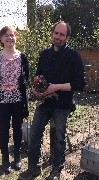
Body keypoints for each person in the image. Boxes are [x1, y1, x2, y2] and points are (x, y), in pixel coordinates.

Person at [19, 21, 86, 180]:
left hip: (62, 105)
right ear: (52, 34)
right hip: (44, 103)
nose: (58, 37)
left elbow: (80, 83)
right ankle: (33, 168)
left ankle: (56, 171)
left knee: (59, 138)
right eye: (56, 33)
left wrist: (56, 87)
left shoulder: (74, 56)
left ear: (67, 37)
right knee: (34, 135)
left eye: (62, 34)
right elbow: (38, 76)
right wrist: (35, 89)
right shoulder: (44, 54)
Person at [0, 26, 29, 174]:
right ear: (1, 39)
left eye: (12, 35)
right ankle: (5, 158)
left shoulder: (22, 57)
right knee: (4, 128)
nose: (10, 38)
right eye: (6, 35)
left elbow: (26, 77)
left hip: (18, 98)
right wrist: (4, 88)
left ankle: (17, 155)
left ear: (16, 38)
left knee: (18, 128)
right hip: (2, 98)